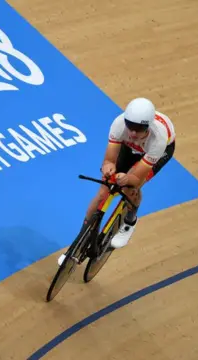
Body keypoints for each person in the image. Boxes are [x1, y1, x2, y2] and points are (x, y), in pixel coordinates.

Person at [58, 97, 176, 266]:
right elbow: (109, 160)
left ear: (148, 126)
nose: (133, 133)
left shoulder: (158, 139)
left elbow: (136, 177)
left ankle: (130, 221)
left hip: (157, 152)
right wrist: (108, 168)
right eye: (131, 126)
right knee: (103, 192)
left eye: (139, 128)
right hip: (129, 148)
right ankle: (77, 245)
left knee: (130, 188)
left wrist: (127, 178)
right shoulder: (119, 125)